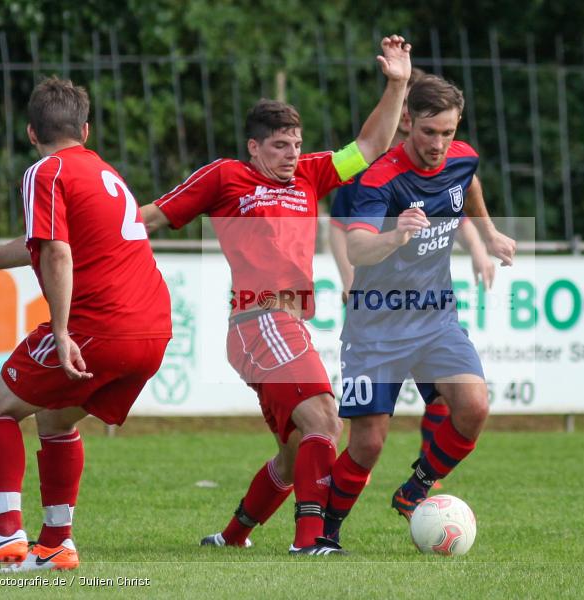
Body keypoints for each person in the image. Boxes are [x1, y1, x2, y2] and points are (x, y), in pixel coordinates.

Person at [139, 35, 412, 555]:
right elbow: (151, 216)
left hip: (285, 325)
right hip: (258, 319)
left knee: (295, 452)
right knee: (325, 420)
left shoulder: (310, 174)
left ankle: (232, 536)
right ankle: (310, 541)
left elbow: (372, 146)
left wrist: (396, 82)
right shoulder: (226, 177)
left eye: (296, 143)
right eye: (280, 146)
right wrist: (99, 239)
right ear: (254, 147)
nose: (291, 155)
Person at [0, 77, 172, 572]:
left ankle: (6, 533)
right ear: (85, 129)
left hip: (100, 325)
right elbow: (39, 245)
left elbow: (58, 254)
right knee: (55, 418)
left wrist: (62, 333)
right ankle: (55, 544)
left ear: (30, 133)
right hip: (152, 330)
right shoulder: (106, 173)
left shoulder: (46, 170)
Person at [321, 75, 516, 543]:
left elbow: (468, 184)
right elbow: (358, 250)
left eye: (448, 132)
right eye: (430, 133)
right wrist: (396, 235)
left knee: (474, 407)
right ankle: (325, 535)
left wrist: (486, 235)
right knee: (367, 444)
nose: (439, 144)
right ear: (408, 123)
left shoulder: (461, 157)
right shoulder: (379, 177)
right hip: (377, 326)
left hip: (434, 319)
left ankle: (416, 488)